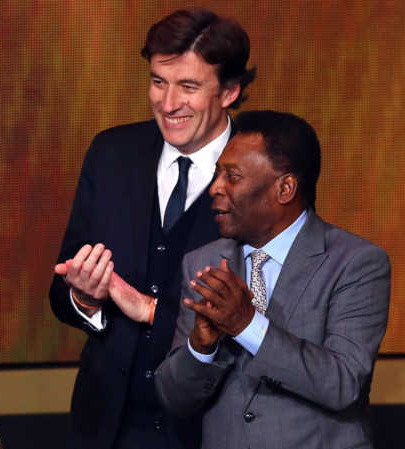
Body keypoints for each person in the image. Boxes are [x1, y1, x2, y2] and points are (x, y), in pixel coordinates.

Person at [49, 7, 254, 449]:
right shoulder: (111, 154)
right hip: (106, 425)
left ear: (230, 91)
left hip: (213, 426)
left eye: (188, 86)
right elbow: (61, 292)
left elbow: (272, 322)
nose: (167, 102)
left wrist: (150, 309)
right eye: (159, 82)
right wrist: (83, 298)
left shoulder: (263, 172)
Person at [147, 110, 390, 448]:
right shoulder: (201, 264)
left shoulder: (356, 263)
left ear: (284, 188)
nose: (215, 188)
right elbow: (174, 398)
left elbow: (342, 383)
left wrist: (246, 326)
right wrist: (201, 348)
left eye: (232, 176)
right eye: (218, 173)